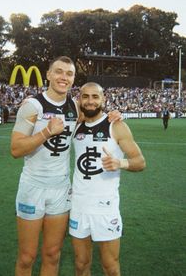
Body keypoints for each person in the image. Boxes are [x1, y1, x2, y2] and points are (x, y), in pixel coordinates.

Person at [11, 56, 121, 276]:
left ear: (73, 79)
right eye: (59, 72)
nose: (64, 77)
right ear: (49, 74)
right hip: (32, 187)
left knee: (53, 254)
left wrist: (114, 114)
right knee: (27, 257)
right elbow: (15, 149)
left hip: (61, 189)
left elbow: (94, 112)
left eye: (69, 74)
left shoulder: (75, 107)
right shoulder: (33, 106)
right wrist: (46, 132)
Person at [69, 82, 146, 276]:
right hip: (78, 206)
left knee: (110, 267)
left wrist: (120, 163)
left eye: (95, 97)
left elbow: (140, 161)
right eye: (85, 96)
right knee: (80, 264)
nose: (90, 101)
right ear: (79, 99)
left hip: (106, 207)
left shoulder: (117, 126)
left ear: (103, 99)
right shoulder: (75, 126)